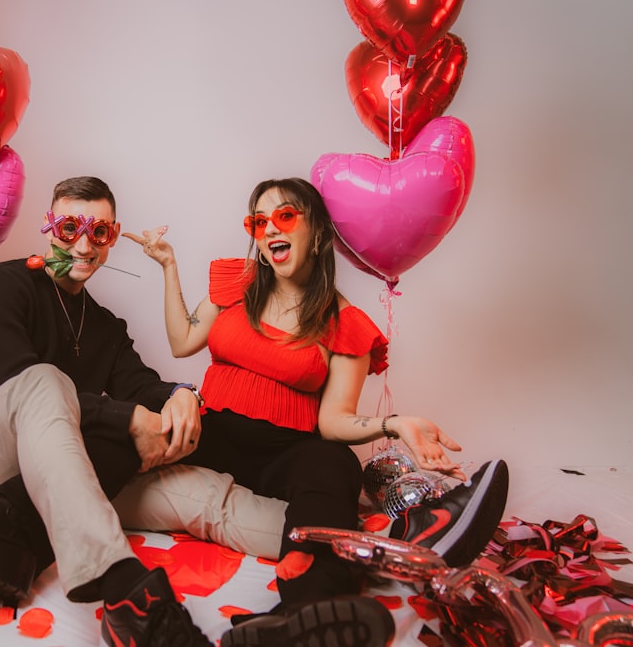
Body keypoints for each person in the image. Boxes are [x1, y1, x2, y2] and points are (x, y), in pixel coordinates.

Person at [0, 176, 285, 647]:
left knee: (201, 490)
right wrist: (126, 420)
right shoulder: (1, 285)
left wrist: (181, 394)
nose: (83, 245)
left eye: (98, 233)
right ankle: (123, 589)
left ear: (113, 238)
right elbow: (14, 379)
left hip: (62, 478)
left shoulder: (103, 325)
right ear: (48, 228)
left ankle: (329, 550)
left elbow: (140, 384)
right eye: (68, 228)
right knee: (44, 381)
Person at [123, 177, 510, 647]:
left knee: (335, 465)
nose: (269, 229)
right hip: (216, 430)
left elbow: (333, 422)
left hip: (287, 451)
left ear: (319, 233)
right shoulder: (236, 282)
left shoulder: (344, 323)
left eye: (285, 216)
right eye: (258, 221)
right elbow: (183, 342)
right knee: (131, 427)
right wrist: (168, 267)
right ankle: (406, 540)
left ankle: (304, 614)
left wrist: (396, 423)